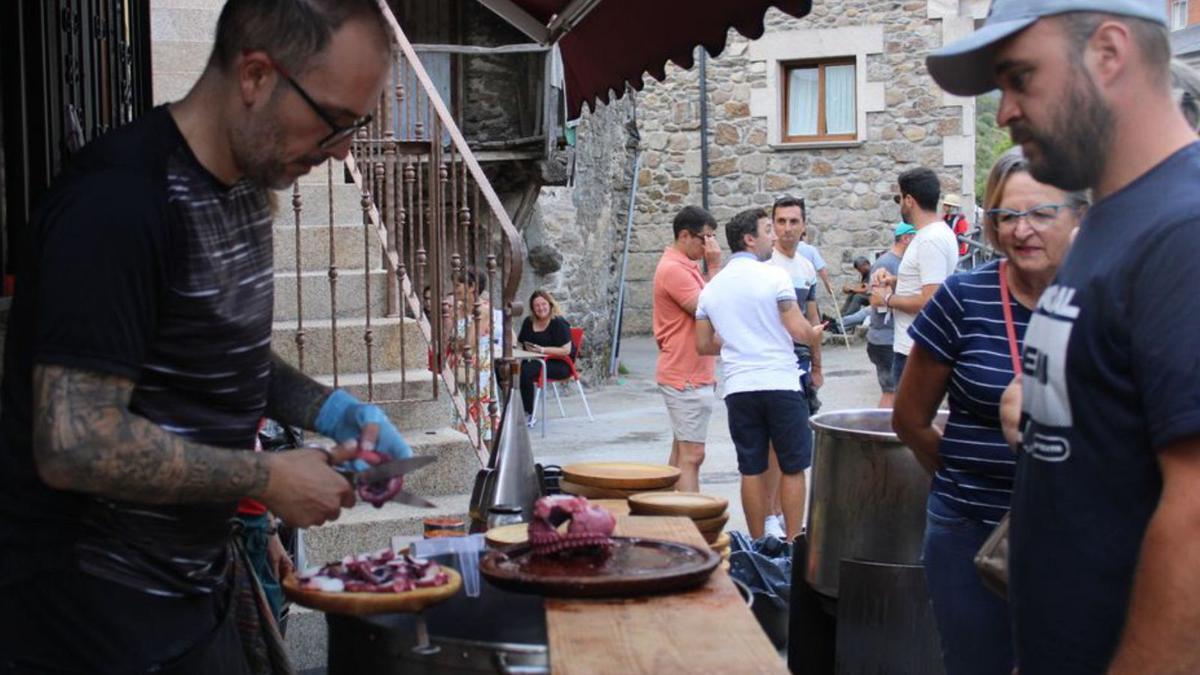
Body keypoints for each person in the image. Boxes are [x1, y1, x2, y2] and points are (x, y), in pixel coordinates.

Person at [0, 2, 412, 672]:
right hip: (90, 624)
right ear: (255, 76)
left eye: (355, 127)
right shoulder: (117, 206)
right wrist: (265, 475)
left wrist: (329, 410)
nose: (339, 152)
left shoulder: (245, 189)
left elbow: (219, 349)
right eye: (334, 121)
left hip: (195, 598)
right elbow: (74, 442)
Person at [927, 1, 1200, 672]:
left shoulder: (1183, 231)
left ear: (1109, 53)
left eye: (1021, 78)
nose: (1004, 113)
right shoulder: (1109, 220)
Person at [892, 148, 1086, 675]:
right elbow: (909, 419)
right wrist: (963, 473)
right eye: (1006, 216)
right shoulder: (963, 298)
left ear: (1078, 215)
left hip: (1082, 535)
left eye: (1042, 213)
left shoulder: (1107, 297)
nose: (1022, 230)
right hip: (970, 530)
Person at [695, 208, 823, 541]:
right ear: (750, 239)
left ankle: (756, 545)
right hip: (779, 381)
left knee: (751, 468)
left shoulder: (711, 288)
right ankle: (793, 544)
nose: (775, 235)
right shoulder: (775, 276)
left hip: (740, 387)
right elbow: (798, 330)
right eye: (768, 229)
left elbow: (704, 344)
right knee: (793, 466)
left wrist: (739, 337)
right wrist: (816, 333)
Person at [763, 196, 825, 537]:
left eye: (793, 221)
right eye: (780, 221)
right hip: (773, 362)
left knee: (794, 442)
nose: (787, 228)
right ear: (772, 224)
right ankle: (772, 514)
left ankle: (786, 517)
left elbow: (813, 317)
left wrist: (818, 365)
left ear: (804, 226)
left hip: (800, 364)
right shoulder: (766, 265)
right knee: (775, 443)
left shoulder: (805, 267)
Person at [653, 205, 722, 493]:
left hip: (690, 372)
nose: (710, 245)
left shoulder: (684, 266)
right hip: (685, 375)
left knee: (682, 453)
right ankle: (690, 526)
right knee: (693, 455)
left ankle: (667, 519)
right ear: (685, 235)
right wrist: (715, 266)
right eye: (705, 238)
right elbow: (710, 308)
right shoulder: (673, 269)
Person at [871, 167, 958, 386]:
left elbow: (930, 300)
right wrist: (894, 281)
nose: (899, 204)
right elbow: (930, 283)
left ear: (909, 200)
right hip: (917, 348)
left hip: (915, 351)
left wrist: (887, 299)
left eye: (899, 198)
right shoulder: (936, 234)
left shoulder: (930, 240)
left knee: (908, 420)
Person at [866, 222, 916, 407]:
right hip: (885, 338)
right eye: (915, 238)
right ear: (906, 238)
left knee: (898, 392)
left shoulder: (900, 262)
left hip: (891, 337)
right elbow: (876, 299)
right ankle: (881, 433)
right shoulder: (886, 263)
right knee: (891, 392)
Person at [517, 289, 574, 427]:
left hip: (560, 364)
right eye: (537, 305)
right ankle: (513, 411)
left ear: (550, 304)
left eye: (543, 304)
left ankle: (529, 413)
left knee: (525, 372)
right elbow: (521, 343)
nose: (541, 308)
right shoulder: (528, 322)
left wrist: (543, 350)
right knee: (511, 369)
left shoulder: (558, 322)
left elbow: (566, 350)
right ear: (532, 308)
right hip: (537, 361)